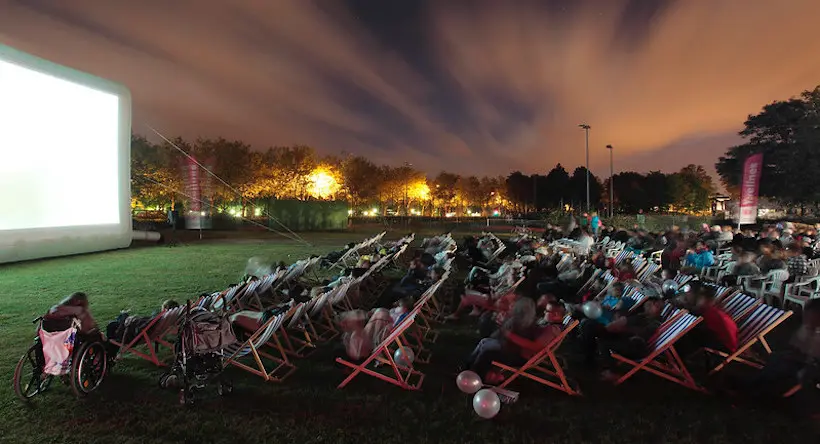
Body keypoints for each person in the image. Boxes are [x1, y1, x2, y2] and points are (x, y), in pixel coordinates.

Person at [595, 297, 664, 381]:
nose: (650, 304)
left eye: (655, 305)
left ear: (660, 311)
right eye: (652, 302)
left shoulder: (656, 322)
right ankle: (602, 362)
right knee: (602, 335)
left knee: (604, 342)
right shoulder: (643, 316)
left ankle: (614, 372)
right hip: (628, 340)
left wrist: (623, 328)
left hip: (636, 347)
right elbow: (626, 321)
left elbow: (642, 333)